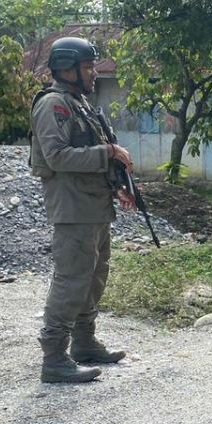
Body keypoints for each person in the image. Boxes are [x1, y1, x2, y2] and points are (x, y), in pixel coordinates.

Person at [29, 37, 135, 384]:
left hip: (94, 206)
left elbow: (90, 152)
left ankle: (85, 343)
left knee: (93, 278)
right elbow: (57, 156)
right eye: (88, 67)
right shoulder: (54, 104)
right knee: (71, 280)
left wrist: (119, 185)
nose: (93, 73)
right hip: (72, 208)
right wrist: (108, 152)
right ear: (67, 68)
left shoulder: (80, 104)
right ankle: (54, 357)